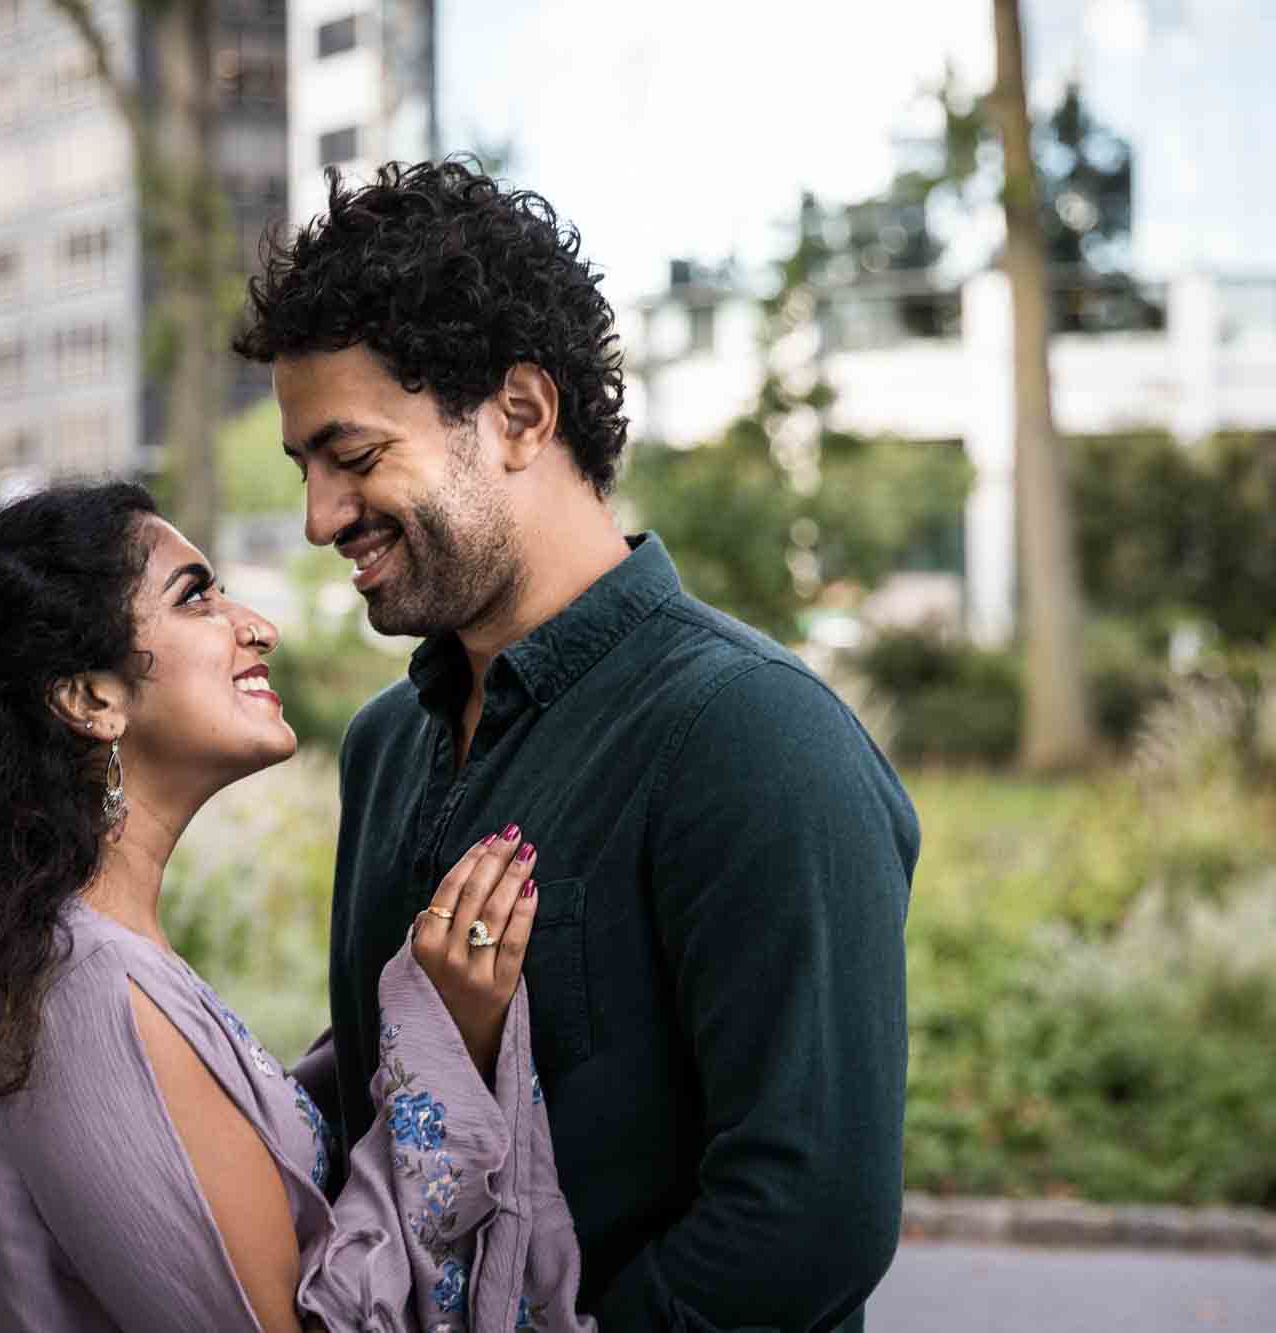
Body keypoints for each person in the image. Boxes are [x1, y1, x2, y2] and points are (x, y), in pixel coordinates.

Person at [233, 160, 921, 1333]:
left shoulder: (750, 738)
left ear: (520, 415)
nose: (318, 518)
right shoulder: (384, 748)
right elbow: (378, 1116)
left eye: (351, 457)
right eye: (304, 469)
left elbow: (807, 1217)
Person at [0, 482, 593, 1332]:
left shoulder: (76, 962)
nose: (257, 626)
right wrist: (442, 1046)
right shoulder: (88, 995)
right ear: (91, 697)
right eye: (195, 595)